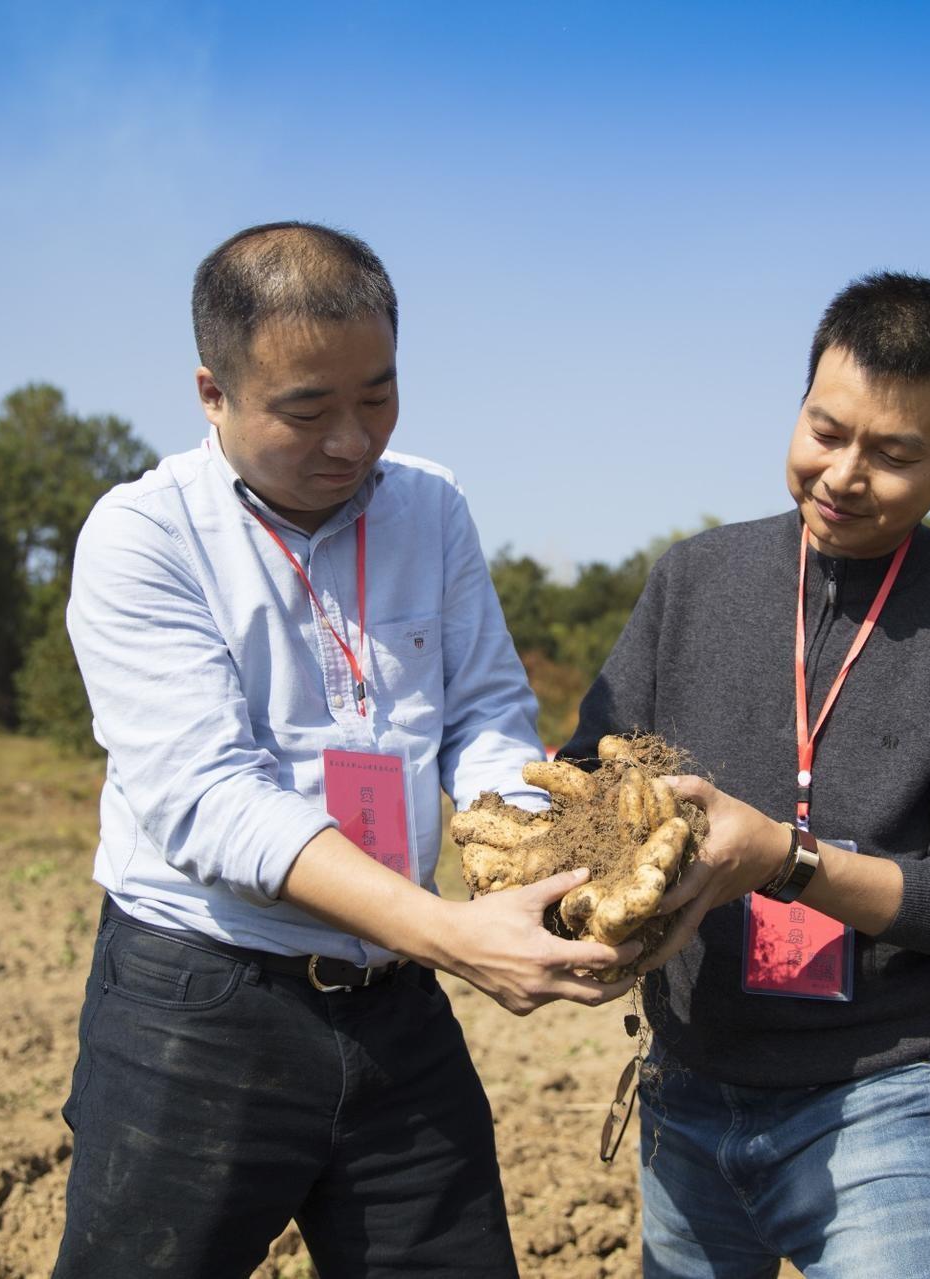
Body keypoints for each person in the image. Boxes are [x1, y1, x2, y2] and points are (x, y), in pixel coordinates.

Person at [53, 222, 638, 1278]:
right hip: (203, 1004)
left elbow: (486, 717)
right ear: (212, 393)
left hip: (391, 1007)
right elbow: (210, 799)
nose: (353, 440)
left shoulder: (431, 505)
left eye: (377, 395)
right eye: (307, 409)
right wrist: (449, 933)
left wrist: (549, 843)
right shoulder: (144, 538)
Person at [563, 272, 930, 1278]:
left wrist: (785, 861)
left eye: (892, 454)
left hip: (878, 1101)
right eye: (823, 431)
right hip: (687, 1087)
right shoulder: (695, 579)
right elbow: (588, 769)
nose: (841, 474)